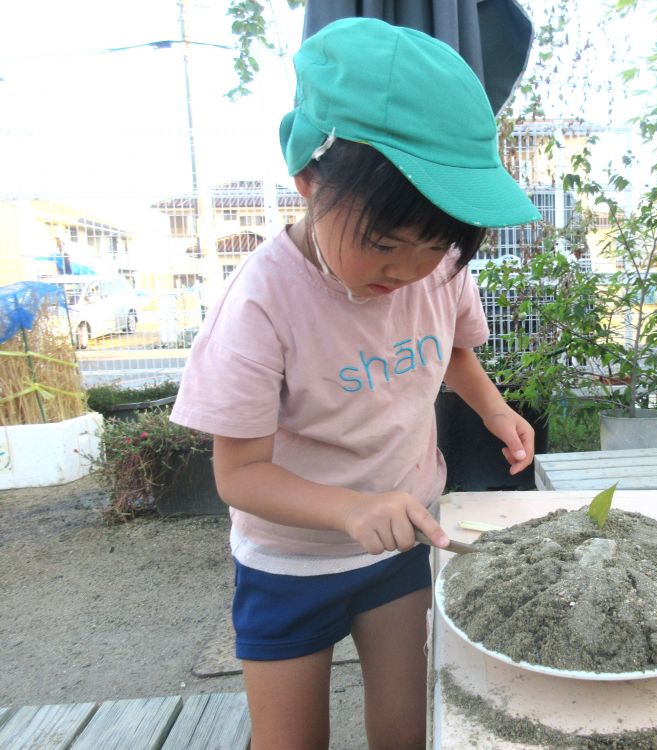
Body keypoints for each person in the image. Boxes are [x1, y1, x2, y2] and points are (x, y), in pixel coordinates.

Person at [169, 17, 541, 750]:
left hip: (402, 544)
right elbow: (239, 475)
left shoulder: (438, 270)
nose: (405, 270)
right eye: (382, 242)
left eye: (434, 243)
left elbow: (455, 353)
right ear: (308, 177)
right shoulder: (260, 304)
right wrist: (346, 510)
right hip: (289, 563)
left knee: (406, 730)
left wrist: (496, 411)